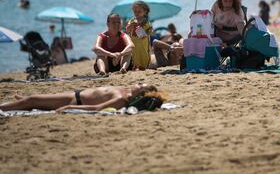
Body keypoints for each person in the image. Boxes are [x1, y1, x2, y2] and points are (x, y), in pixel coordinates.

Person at [0, 83, 162, 112]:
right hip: (76, 94)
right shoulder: (125, 90)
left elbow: (97, 108)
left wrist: (70, 108)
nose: (137, 83)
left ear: (139, 93)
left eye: (140, 84)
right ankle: (24, 101)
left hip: (74, 100)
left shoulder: (122, 99)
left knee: (32, 101)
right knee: (33, 100)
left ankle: (4, 107)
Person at [126, 1, 153, 70]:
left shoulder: (146, 21)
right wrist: (131, 26)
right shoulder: (132, 20)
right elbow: (127, 30)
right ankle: (136, 66)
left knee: (144, 55)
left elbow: (150, 32)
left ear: (145, 12)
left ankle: (144, 66)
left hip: (143, 43)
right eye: (135, 11)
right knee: (135, 55)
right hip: (134, 43)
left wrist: (143, 30)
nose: (137, 13)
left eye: (139, 11)